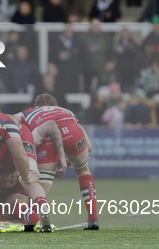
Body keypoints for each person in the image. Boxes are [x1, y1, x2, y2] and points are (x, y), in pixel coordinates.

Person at [18, 93, 99, 230]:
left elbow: (12, 120)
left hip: (47, 138)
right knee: (83, 171)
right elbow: (89, 147)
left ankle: (34, 218)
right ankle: (93, 219)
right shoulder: (65, 111)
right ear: (54, 105)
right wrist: (66, 163)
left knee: (40, 188)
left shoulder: (29, 113)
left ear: (37, 106)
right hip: (72, 132)